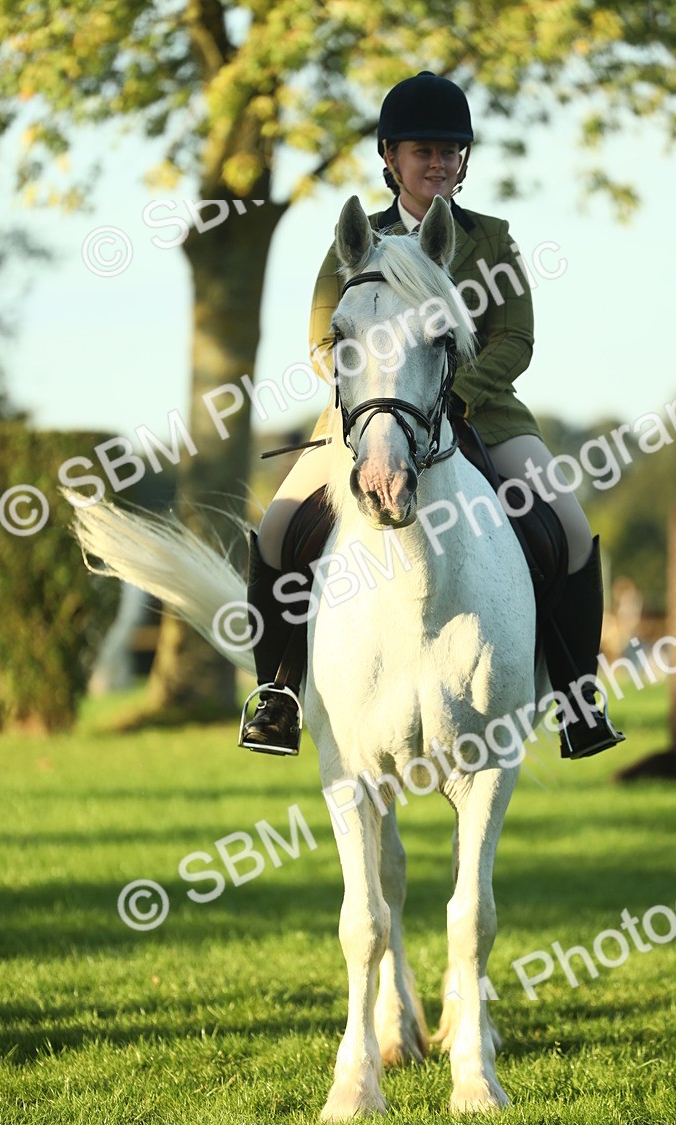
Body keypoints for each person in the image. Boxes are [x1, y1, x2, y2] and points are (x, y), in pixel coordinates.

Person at [239, 71, 624, 760]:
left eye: (451, 152)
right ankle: (278, 693)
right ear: (390, 158)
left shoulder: (492, 240)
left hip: (488, 415)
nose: (439, 164)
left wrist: (453, 391)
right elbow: (325, 339)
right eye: (424, 151)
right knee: (275, 530)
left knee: (567, 526)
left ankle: (577, 698)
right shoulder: (356, 241)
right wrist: (390, 396)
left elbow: (516, 337)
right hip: (368, 418)